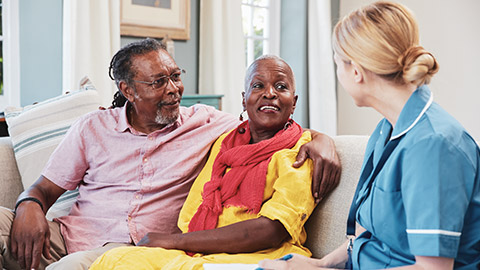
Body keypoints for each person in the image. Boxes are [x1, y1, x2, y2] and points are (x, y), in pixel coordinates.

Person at [0, 39, 340, 270]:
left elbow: (269, 119)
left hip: (133, 251)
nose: (174, 90)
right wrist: (28, 205)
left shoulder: (208, 123)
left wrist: (322, 139)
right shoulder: (93, 127)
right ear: (128, 91)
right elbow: (44, 190)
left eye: (176, 77)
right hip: (69, 235)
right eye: (158, 82)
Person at [258, 1, 480, 270]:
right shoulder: (386, 130)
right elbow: (367, 234)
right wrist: (321, 264)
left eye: (337, 62)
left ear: (356, 71)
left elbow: (433, 269)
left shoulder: (434, 146)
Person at [89, 54, 317, 269]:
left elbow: (272, 230)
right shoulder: (227, 142)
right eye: (258, 86)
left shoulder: (302, 151)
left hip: (266, 254)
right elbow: (193, 209)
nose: (269, 93)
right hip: (204, 250)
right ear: (244, 99)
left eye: (281, 87)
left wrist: (174, 241)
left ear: (294, 102)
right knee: (116, 260)